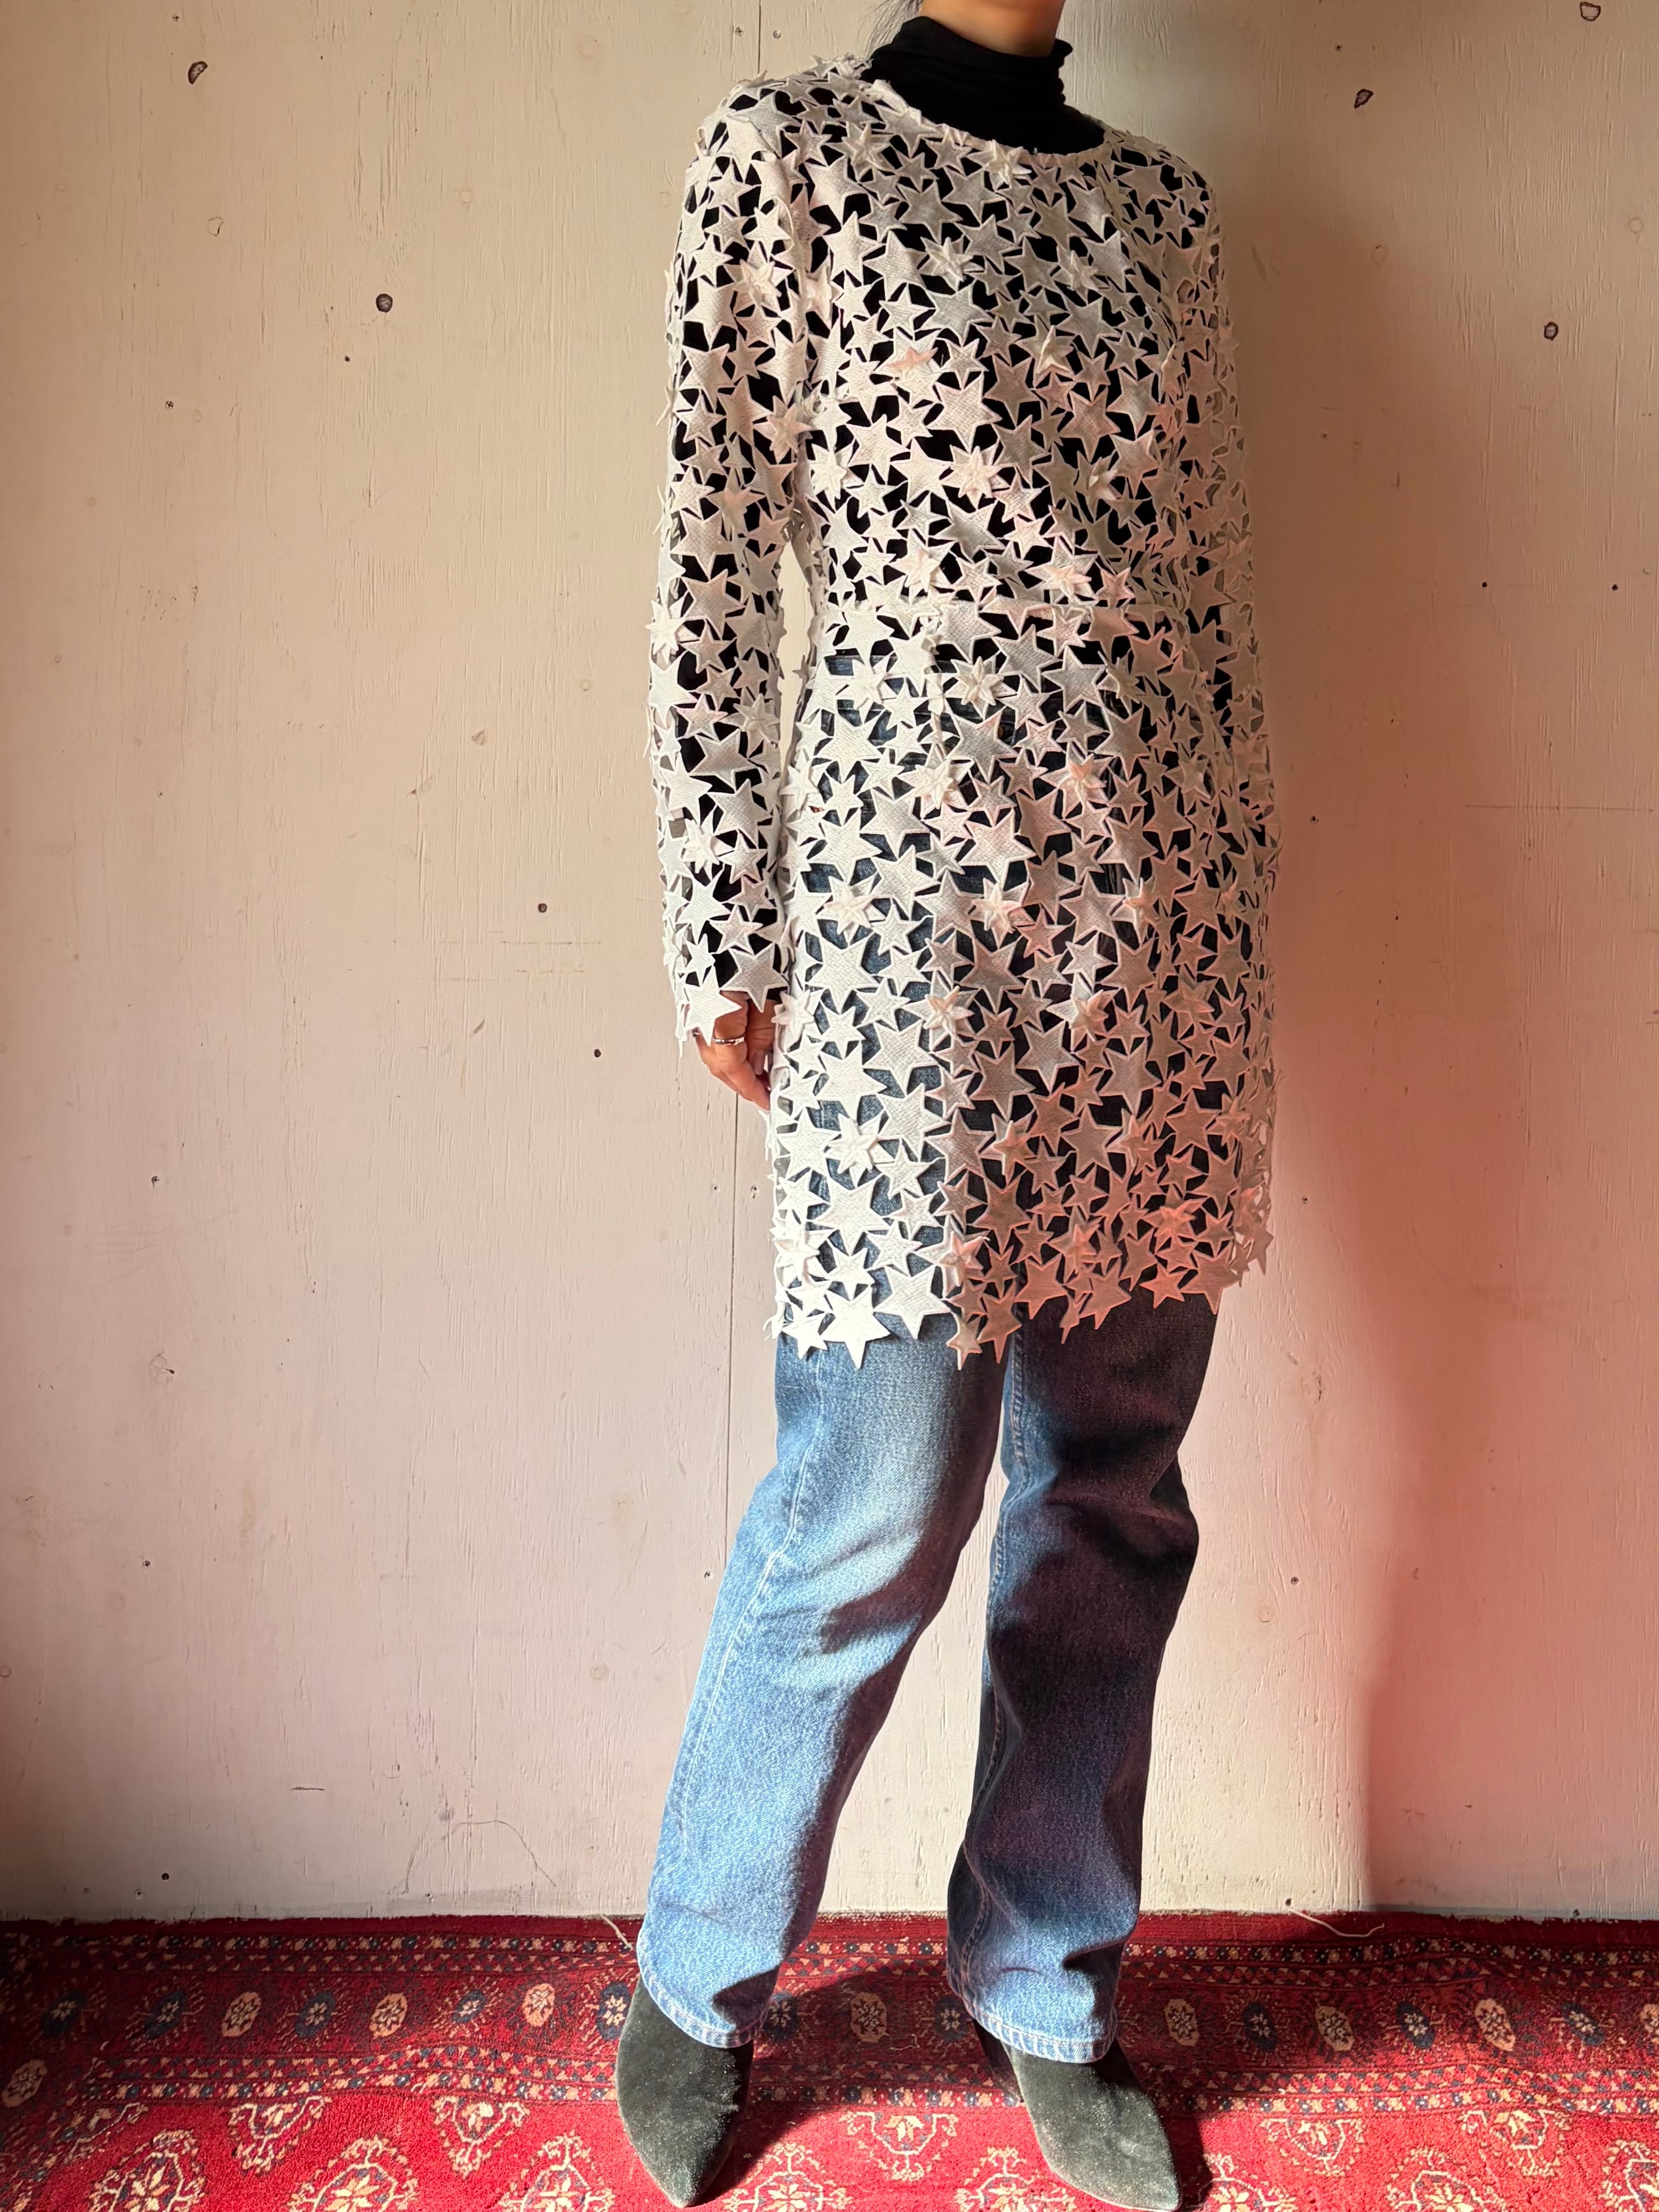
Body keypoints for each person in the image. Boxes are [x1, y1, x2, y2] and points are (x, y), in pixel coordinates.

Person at [620, 0, 1278, 2201]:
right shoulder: (789, 157)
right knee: (874, 1492)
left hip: (1157, 945)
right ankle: (698, 1966)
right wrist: (724, 906)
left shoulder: (1169, 217)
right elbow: (712, 560)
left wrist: (1233, 938)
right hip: (911, 933)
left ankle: (1044, 1971)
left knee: (1113, 1486)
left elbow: (1206, 613)